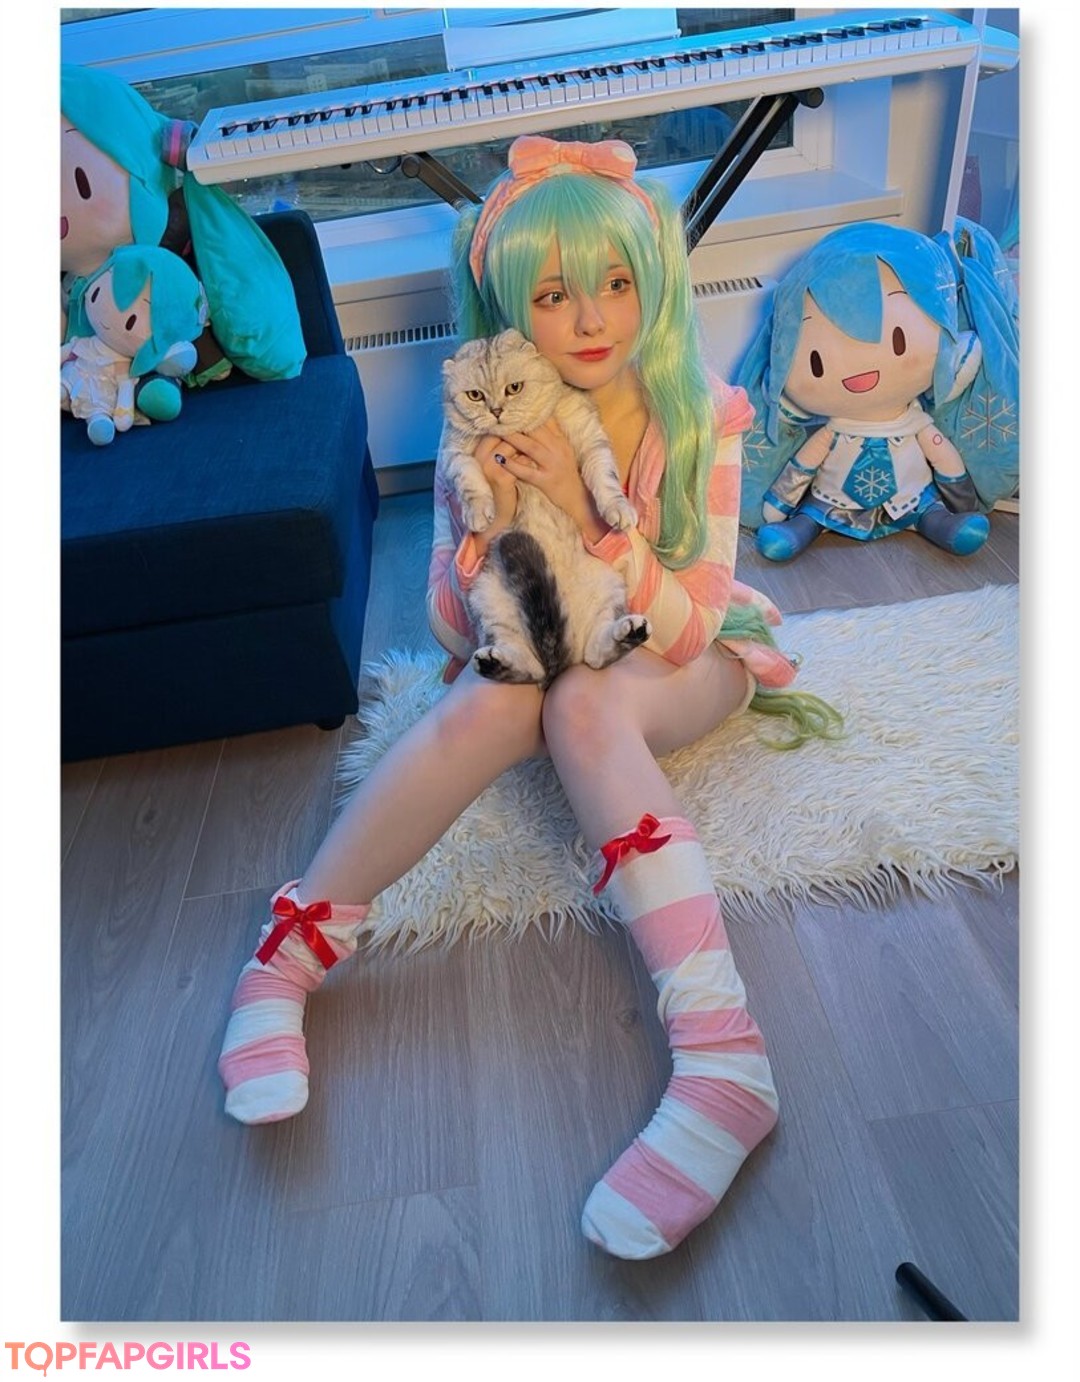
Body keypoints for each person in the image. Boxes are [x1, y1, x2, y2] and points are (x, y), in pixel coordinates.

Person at [217, 135, 839, 1261]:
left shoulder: (702, 412)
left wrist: (598, 519)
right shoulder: (484, 416)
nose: (592, 318)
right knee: (501, 701)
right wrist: (493, 521)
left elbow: (693, 621)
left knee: (582, 706)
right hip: (556, 639)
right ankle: (288, 952)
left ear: (651, 283)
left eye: (615, 283)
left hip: (685, 652)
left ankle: (724, 1056)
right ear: (509, 308)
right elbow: (456, 638)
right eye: (553, 295)